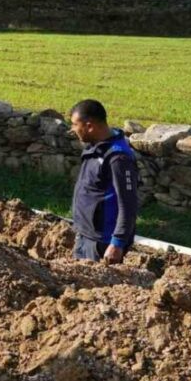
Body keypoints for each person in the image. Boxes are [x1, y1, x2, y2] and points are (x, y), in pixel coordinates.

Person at [69, 99, 140, 264]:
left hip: (102, 243)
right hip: (86, 235)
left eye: (75, 124)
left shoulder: (118, 158)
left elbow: (128, 204)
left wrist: (117, 243)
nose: (72, 130)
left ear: (89, 126)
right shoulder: (96, 146)